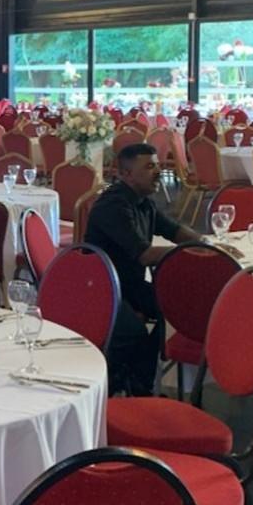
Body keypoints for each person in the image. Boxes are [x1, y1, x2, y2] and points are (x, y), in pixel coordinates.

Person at [83, 143, 204, 396]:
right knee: (133, 332)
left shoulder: (143, 202)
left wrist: (204, 243)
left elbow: (174, 230)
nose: (157, 171)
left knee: (175, 310)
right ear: (126, 174)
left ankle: (140, 381)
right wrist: (191, 252)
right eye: (149, 167)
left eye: (157, 165)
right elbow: (145, 255)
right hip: (100, 287)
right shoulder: (113, 205)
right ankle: (112, 384)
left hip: (128, 285)